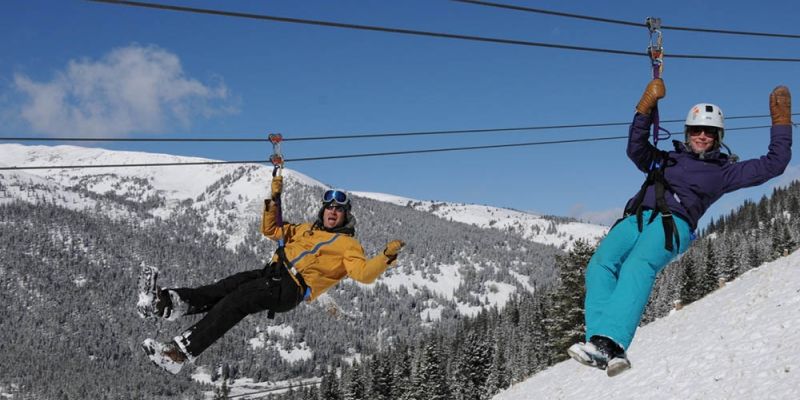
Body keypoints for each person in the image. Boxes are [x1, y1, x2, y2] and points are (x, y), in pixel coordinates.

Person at [567, 79, 792, 377]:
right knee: (600, 265)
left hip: (673, 224)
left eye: (709, 132)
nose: (701, 136)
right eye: (696, 130)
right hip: (637, 218)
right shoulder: (665, 158)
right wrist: (644, 108)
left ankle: (612, 342)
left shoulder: (724, 172)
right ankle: (598, 341)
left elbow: (774, 164)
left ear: (718, 136)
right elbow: (636, 148)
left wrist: (781, 123)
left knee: (638, 264)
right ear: (688, 132)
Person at [139, 176, 405, 374]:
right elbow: (271, 230)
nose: (332, 211)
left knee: (237, 301)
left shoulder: (349, 245)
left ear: (345, 215)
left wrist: (385, 257)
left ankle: (178, 353)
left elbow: (363, 274)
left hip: (290, 288)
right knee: (223, 288)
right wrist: (274, 199)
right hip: (271, 274)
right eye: (328, 207)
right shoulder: (305, 230)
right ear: (322, 210)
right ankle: (165, 303)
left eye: (338, 209)